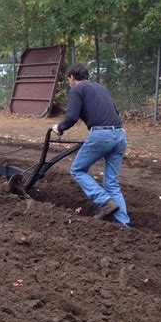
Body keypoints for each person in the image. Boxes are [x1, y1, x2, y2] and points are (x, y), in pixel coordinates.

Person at [51, 63, 129, 226]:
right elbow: (115, 112)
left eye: (69, 79)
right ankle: (122, 224)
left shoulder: (76, 89)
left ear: (72, 77)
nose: (69, 82)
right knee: (111, 183)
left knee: (77, 169)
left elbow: (72, 116)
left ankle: (104, 202)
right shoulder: (101, 88)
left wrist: (60, 128)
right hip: (120, 135)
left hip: (102, 135)